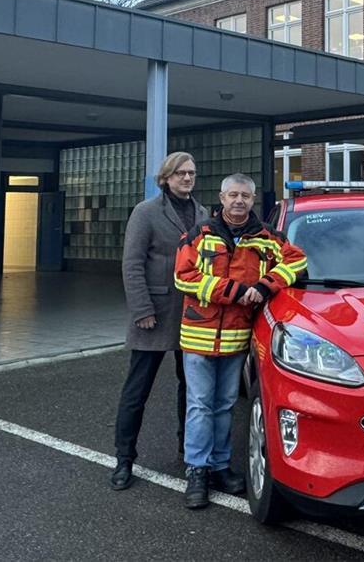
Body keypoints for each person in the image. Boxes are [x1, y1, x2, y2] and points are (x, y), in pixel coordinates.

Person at [174, 173, 307, 509]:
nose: (238, 201)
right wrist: (234, 292)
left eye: (245, 196)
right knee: (200, 405)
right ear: (221, 197)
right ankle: (197, 471)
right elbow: (183, 276)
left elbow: (298, 261)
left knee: (224, 405)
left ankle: (220, 467)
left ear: (252, 200)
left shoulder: (266, 237)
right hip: (199, 336)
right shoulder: (200, 234)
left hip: (235, 338)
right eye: (232, 195)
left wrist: (264, 286)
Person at [110, 152, 207, 491]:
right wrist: (142, 310)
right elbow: (132, 264)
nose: (187, 178)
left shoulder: (203, 213)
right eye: (180, 173)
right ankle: (124, 459)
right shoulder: (146, 212)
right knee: (137, 390)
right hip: (154, 313)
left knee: (192, 388)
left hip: (192, 316)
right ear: (165, 178)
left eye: (192, 173)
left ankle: (188, 450)